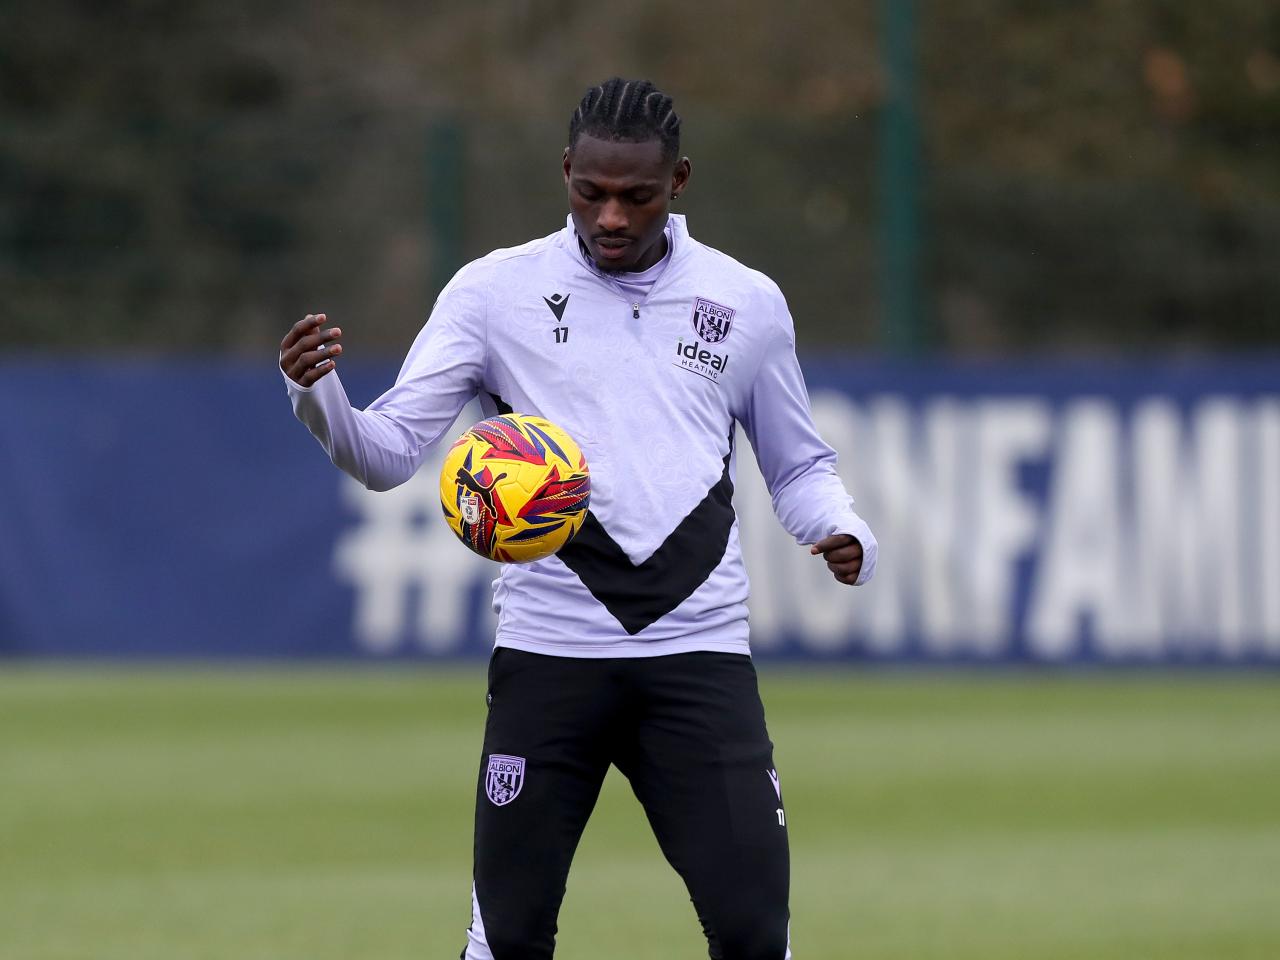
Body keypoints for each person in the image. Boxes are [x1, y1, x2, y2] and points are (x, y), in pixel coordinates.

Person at [279, 77, 877, 960]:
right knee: (510, 936)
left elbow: (799, 466)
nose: (610, 216)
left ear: (678, 183)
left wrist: (841, 525)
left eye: (636, 196)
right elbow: (386, 453)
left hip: (698, 659)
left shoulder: (745, 301)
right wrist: (315, 393)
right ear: (564, 172)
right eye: (589, 192)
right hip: (549, 661)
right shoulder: (493, 294)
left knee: (755, 933)